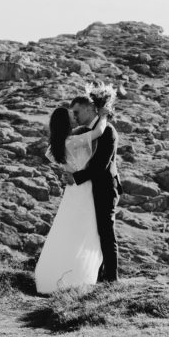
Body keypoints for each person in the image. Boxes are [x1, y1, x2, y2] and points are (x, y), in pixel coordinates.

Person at [34, 102, 109, 294]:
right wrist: (104, 115)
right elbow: (99, 131)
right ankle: (81, 276)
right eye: (71, 117)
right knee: (87, 231)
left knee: (68, 230)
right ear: (66, 124)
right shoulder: (73, 141)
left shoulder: (58, 144)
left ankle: (60, 274)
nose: (75, 118)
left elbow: (52, 155)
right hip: (84, 188)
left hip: (72, 189)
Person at [69, 87, 121, 283]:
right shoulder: (88, 131)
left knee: (106, 231)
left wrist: (76, 177)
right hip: (90, 188)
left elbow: (101, 165)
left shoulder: (107, 131)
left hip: (106, 187)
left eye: (77, 111)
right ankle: (95, 275)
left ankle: (111, 279)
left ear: (90, 109)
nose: (74, 116)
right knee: (93, 231)